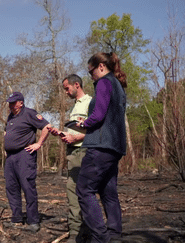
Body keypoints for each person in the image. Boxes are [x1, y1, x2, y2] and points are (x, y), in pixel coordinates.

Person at [76, 52, 127, 243]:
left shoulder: (105, 82)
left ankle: (101, 237)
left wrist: (83, 123)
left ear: (101, 67)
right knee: (108, 191)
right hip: (115, 147)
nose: (91, 77)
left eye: (91, 72)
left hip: (101, 145)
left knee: (84, 190)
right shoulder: (119, 86)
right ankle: (114, 233)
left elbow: (99, 114)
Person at [49, 74, 92, 243]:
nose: (66, 92)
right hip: (73, 153)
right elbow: (77, 130)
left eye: (67, 88)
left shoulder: (90, 102)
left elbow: (96, 129)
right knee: (71, 191)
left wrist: (76, 138)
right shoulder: (75, 106)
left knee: (83, 192)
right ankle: (76, 231)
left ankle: (87, 231)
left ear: (77, 85)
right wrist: (62, 134)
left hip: (85, 153)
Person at [3, 92, 51, 232]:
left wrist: (39, 144)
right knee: (11, 188)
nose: (10, 105)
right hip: (11, 158)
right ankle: (16, 218)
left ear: (21, 103)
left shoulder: (29, 113)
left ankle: (33, 221)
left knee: (27, 186)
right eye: (9, 103)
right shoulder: (10, 117)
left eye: (13, 103)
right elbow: (7, 133)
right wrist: (6, 148)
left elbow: (47, 127)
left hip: (25, 155)